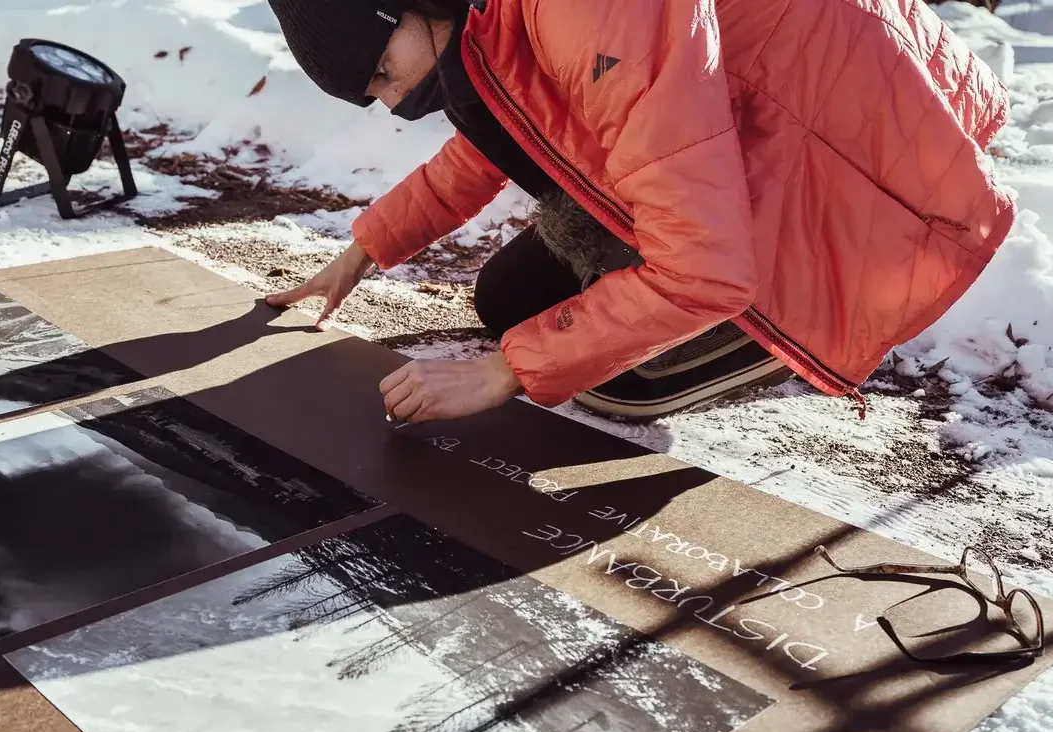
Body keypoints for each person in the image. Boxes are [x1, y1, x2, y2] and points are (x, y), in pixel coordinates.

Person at [263, 0, 1014, 424]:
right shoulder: (490, 16)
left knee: (614, 384)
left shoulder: (589, 11)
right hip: (763, 126)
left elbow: (705, 268)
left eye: (384, 74)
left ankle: (783, 318)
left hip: (866, 174)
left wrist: (502, 373)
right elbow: (514, 130)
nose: (396, 106)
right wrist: (361, 250)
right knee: (508, 303)